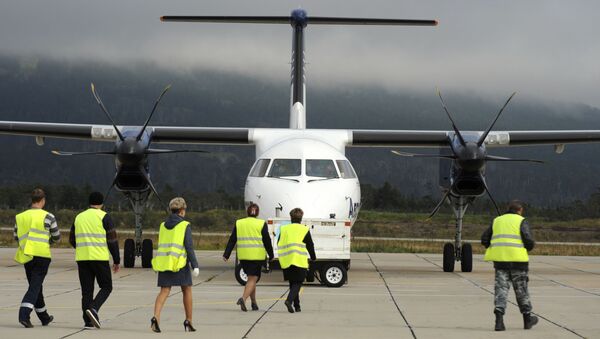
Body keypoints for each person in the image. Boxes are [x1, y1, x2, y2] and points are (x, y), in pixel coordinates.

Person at [481, 200, 538, 331]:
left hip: (501, 263)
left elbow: (484, 239)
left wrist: (496, 247)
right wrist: (526, 248)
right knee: (522, 291)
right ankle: (527, 320)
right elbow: (529, 241)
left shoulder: (497, 220)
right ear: (520, 210)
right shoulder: (521, 221)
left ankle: (499, 322)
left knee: (501, 291)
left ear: (508, 209)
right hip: (519, 262)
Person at [69, 192, 120, 329]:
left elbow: (72, 239)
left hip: (82, 258)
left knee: (86, 291)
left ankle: (88, 322)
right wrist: (116, 260)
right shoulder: (104, 217)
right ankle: (94, 308)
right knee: (106, 286)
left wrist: (81, 249)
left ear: (89, 202)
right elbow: (112, 240)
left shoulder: (79, 217)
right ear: (102, 204)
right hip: (99, 258)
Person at [151, 197, 199, 333]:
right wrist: (195, 265)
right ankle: (188, 320)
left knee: (164, 291)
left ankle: (156, 317)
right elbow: (189, 247)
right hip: (179, 263)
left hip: (165, 262)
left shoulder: (162, 225)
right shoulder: (185, 225)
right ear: (182, 211)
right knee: (187, 290)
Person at [13, 188, 60, 328]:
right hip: (42, 255)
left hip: (27, 255)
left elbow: (16, 237)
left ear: (32, 200)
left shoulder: (20, 217)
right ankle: (24, 314)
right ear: (43, 201)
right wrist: (48, 242)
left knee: (36, 285)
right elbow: (56, 237)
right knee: (35, 286)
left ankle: (44, 317)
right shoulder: (49, 216)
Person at [223, 203, 274, 311]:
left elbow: (232, 239)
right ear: (258, 213)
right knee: (252, 279)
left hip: (244, 256)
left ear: (247, 212)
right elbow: (267, 241)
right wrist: (271, 254)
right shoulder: (261, 223)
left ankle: (254, 303)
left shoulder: (239, 223)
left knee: (251, 279)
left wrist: (226, 254)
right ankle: (243, 298)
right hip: (256, 257)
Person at [277, 207, 316, 313]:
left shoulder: (284, 229)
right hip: (299, 260)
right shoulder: (304, 229)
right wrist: (313, 257)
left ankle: (297, 306)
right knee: (298, 283)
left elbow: (279, 242)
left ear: (291, 217)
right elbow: (310, 245)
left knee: (292, 283)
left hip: (287, 260)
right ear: (301, 218)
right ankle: (289, 301)